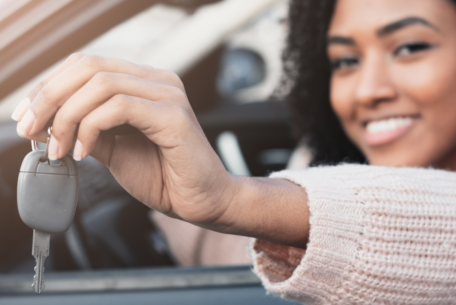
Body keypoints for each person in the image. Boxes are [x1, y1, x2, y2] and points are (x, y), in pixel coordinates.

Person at [10, 0, 456, 303]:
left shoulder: (311, 191)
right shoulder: (317, 159)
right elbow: (249, 256)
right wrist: (174, 214)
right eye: (344, 61)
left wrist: (237, 200)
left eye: (410, 47)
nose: (367, 91)